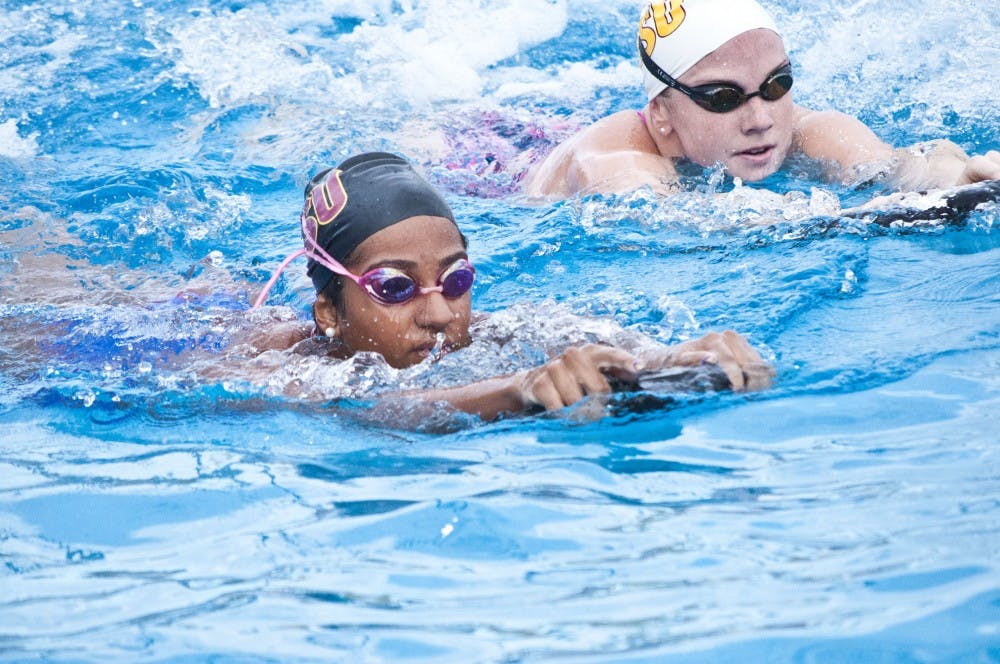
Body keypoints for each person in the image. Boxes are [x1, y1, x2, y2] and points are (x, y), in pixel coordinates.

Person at [250, 151, 772, 422]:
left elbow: (597, 347)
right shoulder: (286, 372)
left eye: (455, 280)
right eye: (395, 288)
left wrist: (670, 360)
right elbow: (374, 413)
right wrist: (518, 390)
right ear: (329, 313)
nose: (439, 316)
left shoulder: (503, 332)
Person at [521, 0, 1000, 199]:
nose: (760, 119)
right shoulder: (614, 155)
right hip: (499, 157)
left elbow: (890, 165)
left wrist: (959, 179)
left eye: (776, 85)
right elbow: (650, 221)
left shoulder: (805, 129)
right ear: (661, 114)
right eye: (723, 97)